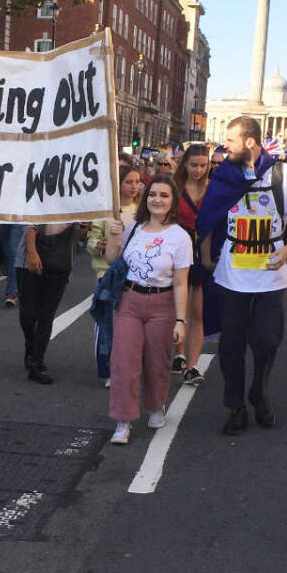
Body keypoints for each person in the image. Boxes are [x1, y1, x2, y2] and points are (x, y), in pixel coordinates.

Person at [198, 116, 287, 435]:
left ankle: (258, 392)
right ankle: (235, 406)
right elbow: (209, 216)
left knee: (266, 340)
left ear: (249, 141)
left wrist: (286, 252)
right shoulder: (225, 175)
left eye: (230, 140)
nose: (225, 145)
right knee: (231, 345)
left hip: (271, 274)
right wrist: (206, 258)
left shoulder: (281, 172)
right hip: (232, 274)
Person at [105, 176, 192, 445]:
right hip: (129, 300)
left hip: (162, 305)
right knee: (124, 362)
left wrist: (180, 320)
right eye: (152, 194)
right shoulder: (134, 227)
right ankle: (123, 420)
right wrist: (113, 236)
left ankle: (156, 406)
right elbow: (112, 260)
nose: (157, 199)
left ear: (173, 201)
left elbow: (180, 282)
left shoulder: (180, 237)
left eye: (164, 195)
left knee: (156, 364)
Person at [87, 165, 141, 385]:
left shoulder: (142, 211)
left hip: (133, 275)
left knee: (128, 325)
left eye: (137, 182)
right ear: (118, 184)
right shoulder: (105, 211)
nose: (134, 186)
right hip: (107, 272)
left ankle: (125, 365)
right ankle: (106, 366)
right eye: (129, 182)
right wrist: (97, 244)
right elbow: (91, 238)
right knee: (107, 322)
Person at [15, 222, 82, 384]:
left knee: (46, 316)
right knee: (28, 315)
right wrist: (32, 252)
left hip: (60, 261)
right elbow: (30, 224)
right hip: (29, 261)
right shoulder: (40, 196)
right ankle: (30, 347)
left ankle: (37, 363)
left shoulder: (78, 199)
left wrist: (84, 227)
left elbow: (79, 234)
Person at [172, 144, 211, 385]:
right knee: (177, 311)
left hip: (202, 254)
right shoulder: (174, 188)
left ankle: (193, 366)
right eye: (194, 165)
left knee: (198, 311)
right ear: (185, 164)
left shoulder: (212, 189)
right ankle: (179, 352)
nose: (198, 170)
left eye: (203, 165)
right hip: (177, 254)